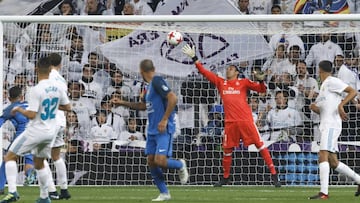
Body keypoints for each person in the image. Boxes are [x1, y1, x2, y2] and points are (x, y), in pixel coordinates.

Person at [182, 44, 281, 187]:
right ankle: (226, 177)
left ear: (237, 72)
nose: (228, 70)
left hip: (245, 120)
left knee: (260, 145)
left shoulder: (244, 82)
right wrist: (194, 57)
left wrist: (261, 80)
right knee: (227, 150)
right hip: (230, 122)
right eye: (228, 68)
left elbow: (261, 90)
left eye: (231, 68)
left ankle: (274, 175)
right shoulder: (221, 83)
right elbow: (204, 72)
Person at [111, 59, 189, 201]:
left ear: (141, 71)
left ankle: (180, 164)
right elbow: (143, 106)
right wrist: (123, 102)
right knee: (151, 161)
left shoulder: (157, 81)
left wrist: (165, 119)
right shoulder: (150, 88)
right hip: (152, 130)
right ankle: (164, 193)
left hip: (163, 129)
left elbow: (173, 98)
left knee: (160, 160)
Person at [0, 57, 71, 203]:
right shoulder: (58, 87)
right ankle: (45, 197)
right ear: (51, 70)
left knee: (9, 158)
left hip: (36, 131)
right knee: (39, 163)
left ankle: (12, 192)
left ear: (36, 69)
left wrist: (19, 109)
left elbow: (32, 115)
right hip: (50, 132)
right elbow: (68, 107)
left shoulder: (35, 90)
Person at [309, 60, 360, 199]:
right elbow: (325, 110)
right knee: (333, 162)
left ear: (320, 70)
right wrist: (315, 109)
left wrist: (341, 105)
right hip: (326, 124)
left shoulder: (332, 81)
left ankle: (324, 193)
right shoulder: (324, 87)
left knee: (322, 155)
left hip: (331, 125)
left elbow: (353, 91)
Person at [0, 86, 36, 194]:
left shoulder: (11, 108)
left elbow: (1, 120)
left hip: (22, 137)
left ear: (9, 98)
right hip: (36, 136)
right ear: (22, 96)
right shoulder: (31, 106)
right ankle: (30, 173)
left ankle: (0, 187)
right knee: (29, 161)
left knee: (8, 159)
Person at [47, 53, 71, 200]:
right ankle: (64, 190)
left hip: (49, 119)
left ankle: (51, 191)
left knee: (40, 156)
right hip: (61, 121)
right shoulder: (62, 80)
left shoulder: (47, 77)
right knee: (56, 156)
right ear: (60, 64)